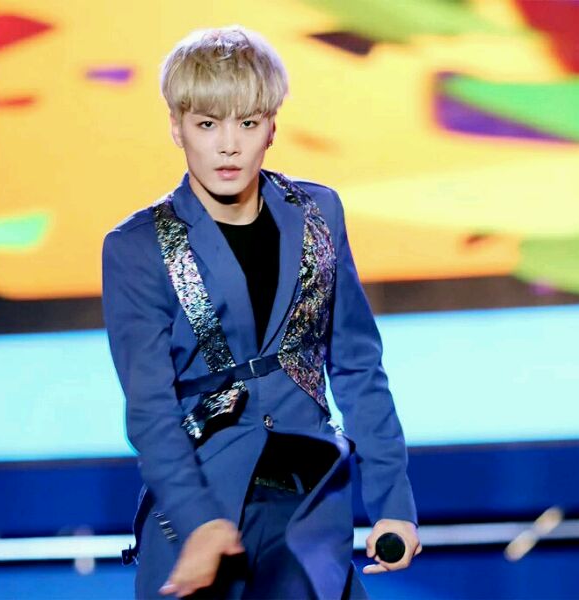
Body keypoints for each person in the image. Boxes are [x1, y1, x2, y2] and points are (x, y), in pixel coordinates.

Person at [102, 25, 421, 599]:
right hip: (201, 509)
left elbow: (356, 365)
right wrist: (199, 522)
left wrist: (392, 500)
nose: (229, 146)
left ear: (272, 126)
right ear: (176, 126)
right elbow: (150, 407)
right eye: (208, 124)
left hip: (307, 506)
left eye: (247, 123)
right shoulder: (137, 246)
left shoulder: (318, 213)